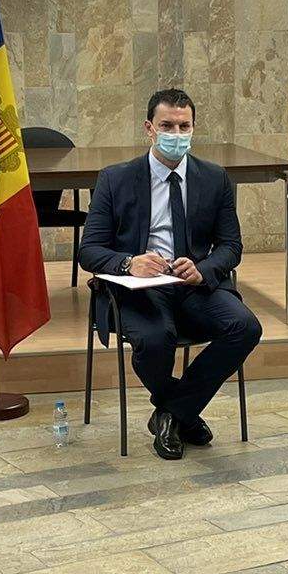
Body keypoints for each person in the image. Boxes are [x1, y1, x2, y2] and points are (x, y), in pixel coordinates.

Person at [76, 88, 262, 460]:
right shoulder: (115, 179)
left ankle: (172, 413)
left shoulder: (214, 178)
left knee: (245, 326)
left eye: (184, 126)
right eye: (167, 126)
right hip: (139, 288)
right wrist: (130, 262)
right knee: (157, 338)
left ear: (193, 128)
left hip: (194, 284)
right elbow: (89, 250)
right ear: (149, 128)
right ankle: (184, 414)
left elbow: (231, 246)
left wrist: (203, 268)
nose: (176, 134)